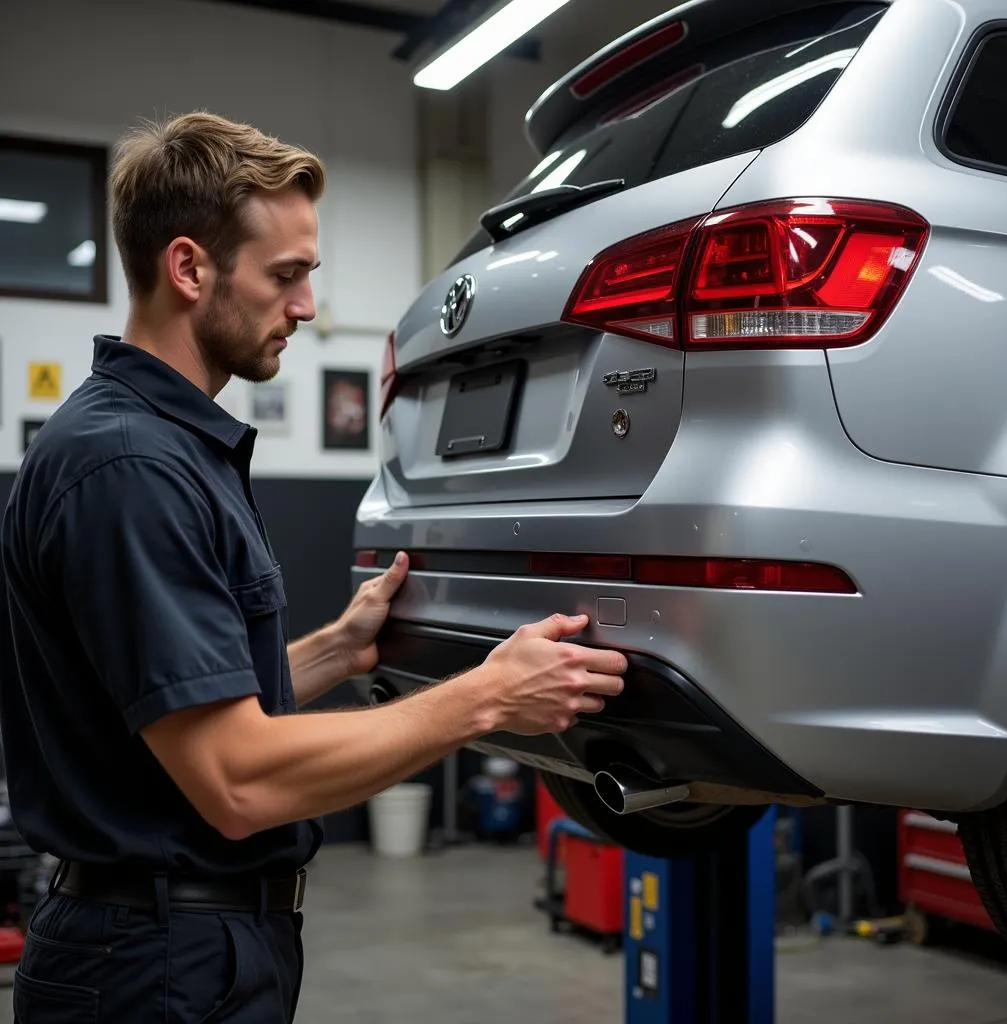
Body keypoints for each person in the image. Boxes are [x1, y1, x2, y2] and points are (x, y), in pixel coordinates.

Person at [0, 112, 627, 1023]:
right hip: (152, 969)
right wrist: (485, 699)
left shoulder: (160, 448)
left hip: (175, 951)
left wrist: (339, 649)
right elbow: (238, 779)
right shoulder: (132, 467)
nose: (304, 306)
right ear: (188, 268)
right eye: (284, 276)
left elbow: (161, 702)